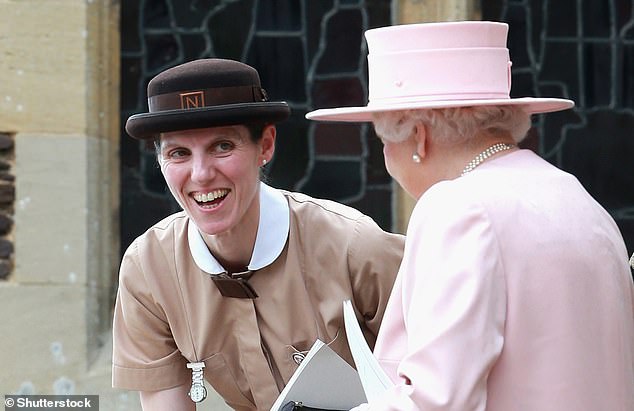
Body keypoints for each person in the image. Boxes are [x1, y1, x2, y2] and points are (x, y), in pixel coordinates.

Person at [307, 21, 634, 411]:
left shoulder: (457, 208)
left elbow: (435, 400)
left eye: (383, 141)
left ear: (418, 138)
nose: (386, 159)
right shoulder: (579, 199)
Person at [112, 58, 405, 410]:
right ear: (160, 161)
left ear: (265, 145)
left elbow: (442, 384)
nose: (201, 174)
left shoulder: (357, 248)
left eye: (222, 146)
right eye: (179, 153)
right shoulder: (148, 270)